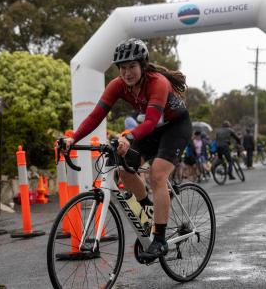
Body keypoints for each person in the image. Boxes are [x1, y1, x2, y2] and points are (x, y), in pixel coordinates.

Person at [63, 38, 192, 261]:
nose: (127, 72)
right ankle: (148, 212)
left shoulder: (158, 82)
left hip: (175, 127)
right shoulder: (117, 85)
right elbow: (95, 116)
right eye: (122, 68)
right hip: (151, 130)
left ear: (142, 65)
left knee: (157, 175)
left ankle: (160, 240)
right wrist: (73, 138)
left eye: (131, 66)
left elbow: (150, 121)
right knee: (124, 170)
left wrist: (128, 137)